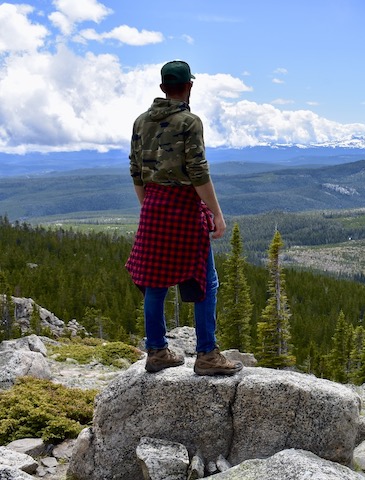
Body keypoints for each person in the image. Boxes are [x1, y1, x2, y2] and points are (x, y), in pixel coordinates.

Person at [125, 60, 242, 375]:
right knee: (206, 280)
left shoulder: (140, 122)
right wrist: (216, 214)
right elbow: (198, 171)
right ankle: (206, 354)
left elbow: (136, 170)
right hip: (185, 207)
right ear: (189, 86)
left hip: (153, 205)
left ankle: (157, 351)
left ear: (163, 88)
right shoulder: (189, 122)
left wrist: (147, 204)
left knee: (154, 282)